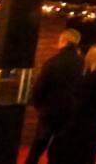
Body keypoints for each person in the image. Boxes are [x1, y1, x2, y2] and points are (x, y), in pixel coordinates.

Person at [50, 43, 96, 164]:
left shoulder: (85, 74)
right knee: (88, 153)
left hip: (79, 120)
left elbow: (89, 97)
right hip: (92, 122)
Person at [27, 29, 84, 164]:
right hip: (72, 109)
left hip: (50, 109)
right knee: (62, 145)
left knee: (39, 143)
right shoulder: (82, 63)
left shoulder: (52, 63)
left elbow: (40, 87)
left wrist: (38, 104)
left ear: (64, 41)